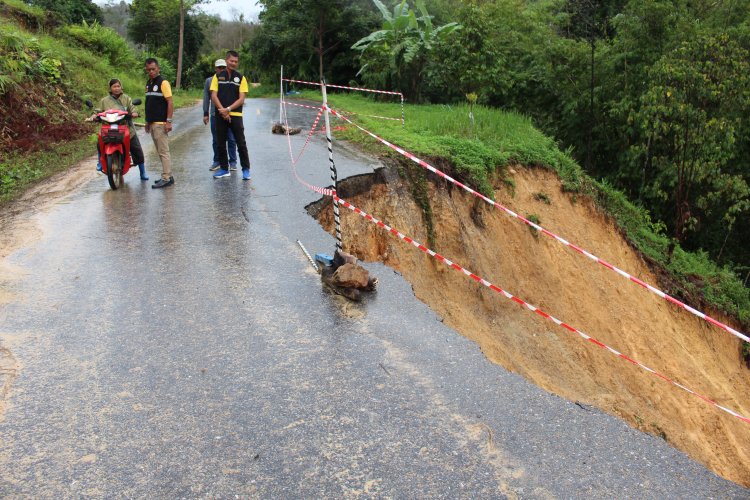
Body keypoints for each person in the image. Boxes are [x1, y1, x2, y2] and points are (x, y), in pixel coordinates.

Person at [89, 79, 149, 181]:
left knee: (136, 147)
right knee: (100, 143)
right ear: (110, 88)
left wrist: (134, 113)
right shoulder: (104, 101)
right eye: (114, 87)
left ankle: (142, 172)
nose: (116, 88)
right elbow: (97, 111)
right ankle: (100, 161)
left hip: (125, 126)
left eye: (118, 86)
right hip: (108, 127)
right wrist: (94, 116)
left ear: (121, 87)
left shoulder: (126, 98)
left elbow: (133, 108)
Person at [209, 50, 251, 180]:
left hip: (236, 115)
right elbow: (213, 95)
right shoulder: (218, 76)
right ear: (227, 60)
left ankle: (246, 169)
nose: (234, 63)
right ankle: (224, 168)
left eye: (236, 61)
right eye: (231, 61)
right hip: (220, 114)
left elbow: (241, 99)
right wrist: (222, 110)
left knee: (240, 143)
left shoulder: (241, 77)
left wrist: (228, 109)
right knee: (221, 142)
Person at [144, 57, 174, 189]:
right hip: (152, 123)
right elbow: (149, 104)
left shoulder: (163, 82)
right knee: (159, 151)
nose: (151, 71)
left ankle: (166, 178)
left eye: (153, 69)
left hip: (161, 123)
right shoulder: (148, 83)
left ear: (158, 69)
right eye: (149, 69)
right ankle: (168, 176)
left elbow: (170, 102)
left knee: (163, 151)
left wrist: (168, 121)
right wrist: (147, 121)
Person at [203, 59, 238, 172]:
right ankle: (217, 161)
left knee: (231, 139)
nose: (222, 70)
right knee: (216, 139)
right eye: (219, 68)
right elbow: (206, 98)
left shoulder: (231, 79)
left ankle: (232, 162)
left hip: (230, 113)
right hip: (215, 114)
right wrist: (205, 113)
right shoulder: (209, 81)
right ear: (215, 68)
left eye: (223, 67)